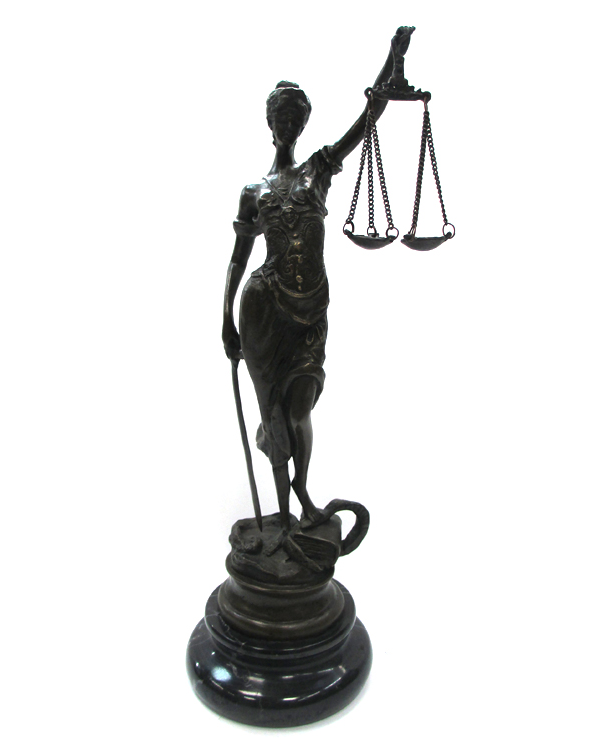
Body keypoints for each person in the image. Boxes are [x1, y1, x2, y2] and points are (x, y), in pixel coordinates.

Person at [222, 28, 414, 539]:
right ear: (270, 124)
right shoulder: (254, 191)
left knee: (299, 407)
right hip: (262, 308)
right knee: (273, 413)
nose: (288, 125)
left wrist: (391, 61)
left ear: (303, 124)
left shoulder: (318, 170)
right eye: (280, 118)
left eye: (295, 118)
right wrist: (224, 319)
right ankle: (285, 517)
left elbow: (368, 118)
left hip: (310, 308)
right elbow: (239, 257)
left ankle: (303, 495)